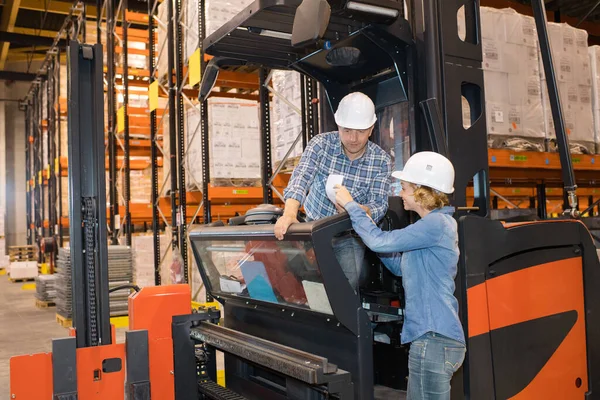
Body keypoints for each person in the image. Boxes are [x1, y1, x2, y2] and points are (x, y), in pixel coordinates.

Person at [334, 151, 466, 400]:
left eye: (404, 187)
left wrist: (352, 207)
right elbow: (398, 265)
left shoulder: (436, 225)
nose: (401, 193)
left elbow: (377, 242)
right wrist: (376, 233)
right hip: (430, 338)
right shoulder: (431, 227)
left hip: (434, 337)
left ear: (420, 190)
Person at [274, 92, 392, 291]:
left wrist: (357, 210)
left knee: (343, 288)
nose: (353, 138)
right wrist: (289, 214)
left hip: (349, 235)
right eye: (346, 131)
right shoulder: (320, 145)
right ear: (338, 126)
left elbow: (379, 204)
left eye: (361, 131)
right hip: (311, 227)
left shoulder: (381, 161)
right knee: (298, 283)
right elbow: (300, 179)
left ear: (371, 129)